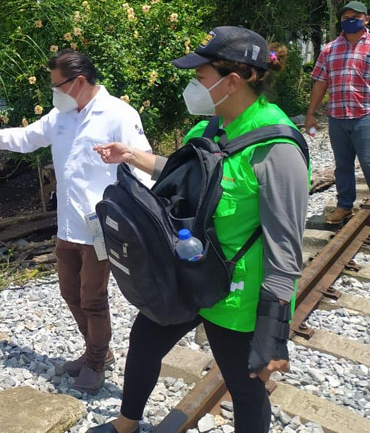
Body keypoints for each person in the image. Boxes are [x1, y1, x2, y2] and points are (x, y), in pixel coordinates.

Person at [90, 27, 309, 433]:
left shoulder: (277, 149)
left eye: (200, 77)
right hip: (184, 274)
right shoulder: (209, 127)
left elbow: (286, 248)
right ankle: (126, 423)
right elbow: (186, 174)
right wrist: (133, 156)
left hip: (233, 294)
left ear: (232, 81)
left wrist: (274, 330)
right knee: (144, 342)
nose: (194, 85)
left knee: (245, 387)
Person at [0, 49, 153, 393]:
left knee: (92, 297)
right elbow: (25, 138)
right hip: (67, 227)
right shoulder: (60, 116)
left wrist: (146, 220)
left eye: (57, 85)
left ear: (79, 82)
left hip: (101, 229)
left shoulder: (118, 114)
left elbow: (144, 165)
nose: (54, 93)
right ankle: (97, 350)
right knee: (69, 292)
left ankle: (95, 361)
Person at [306, 0, 370, 235]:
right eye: (345, 17)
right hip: (337, 116)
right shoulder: (329, 49)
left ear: (366, 19)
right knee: (342, 166)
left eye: (355, 16)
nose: (350, 20)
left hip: (367, 115)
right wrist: (311, 114)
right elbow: (321, 82)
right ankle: (344, 206)